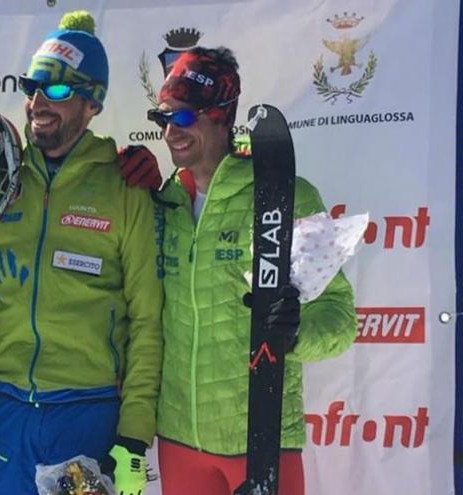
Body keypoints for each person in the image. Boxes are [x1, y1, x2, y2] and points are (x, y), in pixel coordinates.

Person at [0, 10, 162, 495]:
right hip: (6, 416)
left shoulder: (123, 186)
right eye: (33, 85)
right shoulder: (0, 179)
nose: (39, 101)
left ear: (93, 102)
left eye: (60, 90)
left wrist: (132, 436)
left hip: (86, 417)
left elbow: (147, 321)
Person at [134, 47, 357, 494]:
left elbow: (339, 318)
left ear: (220, 116)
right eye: (163, 119)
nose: (171, 132)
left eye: (182, 118)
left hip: (260, 439)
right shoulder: (165, 203)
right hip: (179, 439)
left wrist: (295, 333)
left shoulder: (281, 193)